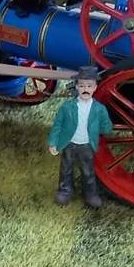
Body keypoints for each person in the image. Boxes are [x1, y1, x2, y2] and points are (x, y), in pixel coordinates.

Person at [47, 66, 112, 208]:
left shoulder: (99, 109)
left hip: (86, 144)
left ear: (95, 87)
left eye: (89, 86)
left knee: (88, 171)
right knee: (66, 168)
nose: (85, 89)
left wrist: (106, 129)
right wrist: (53, 142)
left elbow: (106, 125)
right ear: (76, 87)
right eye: (82, 85)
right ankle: (65, 191)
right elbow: (58, 125)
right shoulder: (67, 107)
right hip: (69, 143)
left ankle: (90, 194)